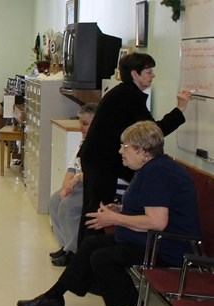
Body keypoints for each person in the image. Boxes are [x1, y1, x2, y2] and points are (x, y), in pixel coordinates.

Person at [17, 121, 200, 306]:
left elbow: (158, 222)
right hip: (151, 240)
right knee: (91, 245)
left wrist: (114, 218)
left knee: (104, 259)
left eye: (125, 146)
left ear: (143, 151)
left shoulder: (157, 173)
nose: (120, 150)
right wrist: (121, 209)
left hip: (169, 246)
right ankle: (54, 297)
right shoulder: (152, 167)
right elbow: (153, 207)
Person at [75, 52, 192, 249]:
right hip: (101, 161)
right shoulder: (128, 95)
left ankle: (82, 256)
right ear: (135, 74)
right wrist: (179, 110)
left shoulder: (125, 92)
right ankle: (86, 259)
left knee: (94, 208)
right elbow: (154, 132)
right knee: (98, 211)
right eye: (148, 71)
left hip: (98, 158)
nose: (152, 75)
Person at [48, 103, 96, 266]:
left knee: (68, 207)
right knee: (55, 201)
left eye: (85, 124)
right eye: (80, 122)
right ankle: (65, 246)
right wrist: (65, 187)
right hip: (77, 183)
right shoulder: (82, 142)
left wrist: (73, 182)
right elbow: (71, 167)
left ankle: (74, 252)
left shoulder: (99, 144)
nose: (81, 127)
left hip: (90, 186)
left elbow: (94, 173)